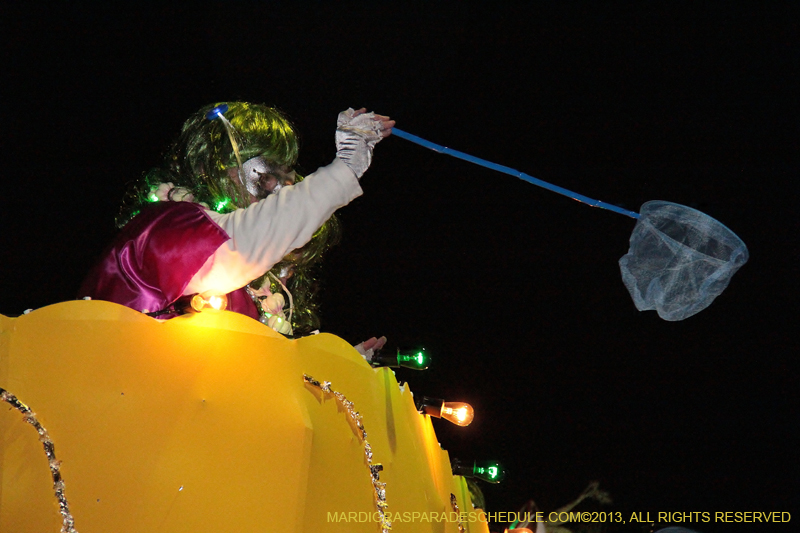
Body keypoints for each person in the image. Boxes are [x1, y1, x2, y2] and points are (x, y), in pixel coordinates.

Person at [80, 102, 393, 338]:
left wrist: (341, 367)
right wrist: (344, 168)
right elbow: (234, 247)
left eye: (287, 176)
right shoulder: (165, 227)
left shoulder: (253, 283)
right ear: (210, 167)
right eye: (266, 170)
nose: (280, 186)